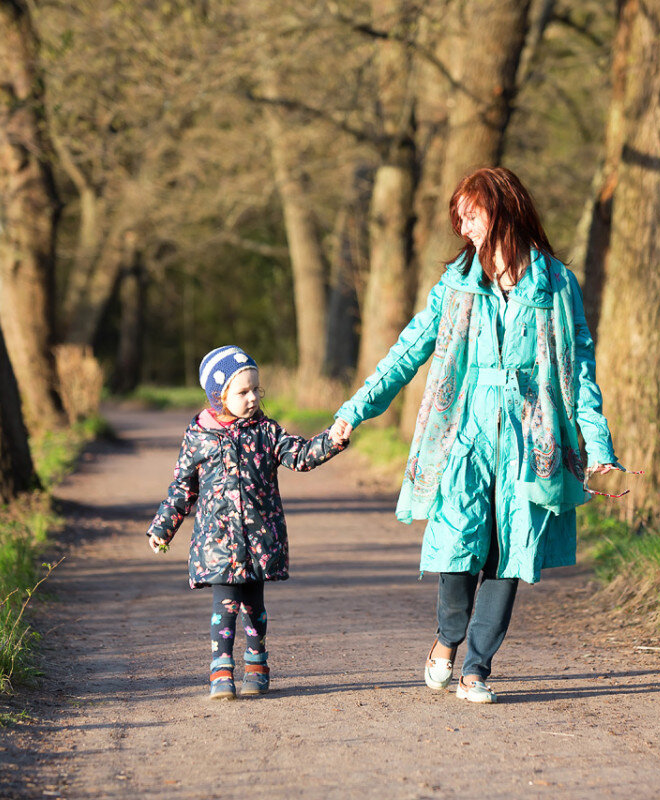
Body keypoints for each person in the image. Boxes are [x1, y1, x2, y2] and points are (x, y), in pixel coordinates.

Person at [329, 167, 622, 704]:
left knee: (513, 548)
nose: (462, 227)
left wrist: (598, 446)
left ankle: (478, 669)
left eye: (470, 214)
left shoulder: (556, 282)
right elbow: (410, 349)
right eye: (457, 217)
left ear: (502, 208)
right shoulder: (457, 283)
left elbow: (580, 369)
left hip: (532, 435)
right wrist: (355, 410)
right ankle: (447, 640)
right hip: (465, 429)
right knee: (457, 541)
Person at [148, 346, 348, 700]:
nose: (253, 398)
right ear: (218, 395)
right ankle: (221, 669)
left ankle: (257, 663)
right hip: (218, 542)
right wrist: (163, 527)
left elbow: (300, 456)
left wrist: (332, 439)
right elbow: (182, 488)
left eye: (257, 389)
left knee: (255, 607)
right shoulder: (199, 436)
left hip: (259, 539)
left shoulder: (267, 431)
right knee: (224, 607)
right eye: (242, 392)